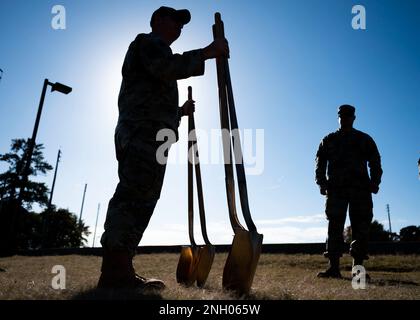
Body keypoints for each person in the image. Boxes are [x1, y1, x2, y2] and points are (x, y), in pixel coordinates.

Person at [98, 6, 229, 290]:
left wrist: (179, 111)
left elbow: (153, 94)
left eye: (183, 24)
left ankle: (121, 267)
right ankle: (115, 270)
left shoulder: (155, 49)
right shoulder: (149, 43)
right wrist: (207, 52)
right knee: (134, 195)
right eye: (175, 21)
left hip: (152, 134)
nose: (180, 27)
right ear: (158, 20)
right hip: (142, 133)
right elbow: (166, 69)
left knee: (143, 197)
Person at [315, 105, 383, 278]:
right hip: (336, 191)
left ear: (354, 118)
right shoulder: (329, 140)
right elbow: (320, 162)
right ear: (338, 117)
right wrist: (321, 183)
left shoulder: (364, 139)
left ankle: (358, 270)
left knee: (361, 228)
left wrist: (375, 182)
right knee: (334, 228)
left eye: (348, 116)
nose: (344, 118)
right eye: (341, 116)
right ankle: (333, 268)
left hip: (360, 191)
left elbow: (375, 160)